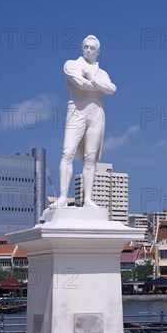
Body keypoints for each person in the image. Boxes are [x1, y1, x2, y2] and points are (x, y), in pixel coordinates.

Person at [51, 35, 117, 209]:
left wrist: (92, 78)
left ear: (98, 51)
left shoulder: (102, 73)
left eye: (92, 48)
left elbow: (112, 90)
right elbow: (81, 84)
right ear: (82, 47)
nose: (88, 50)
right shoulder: (71, 64)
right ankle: (63, 197)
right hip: (76, 111)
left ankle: (88, 199)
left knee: (90, 158)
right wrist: (97, 84)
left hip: (96, 114)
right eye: (86, 47)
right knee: (67, 153)